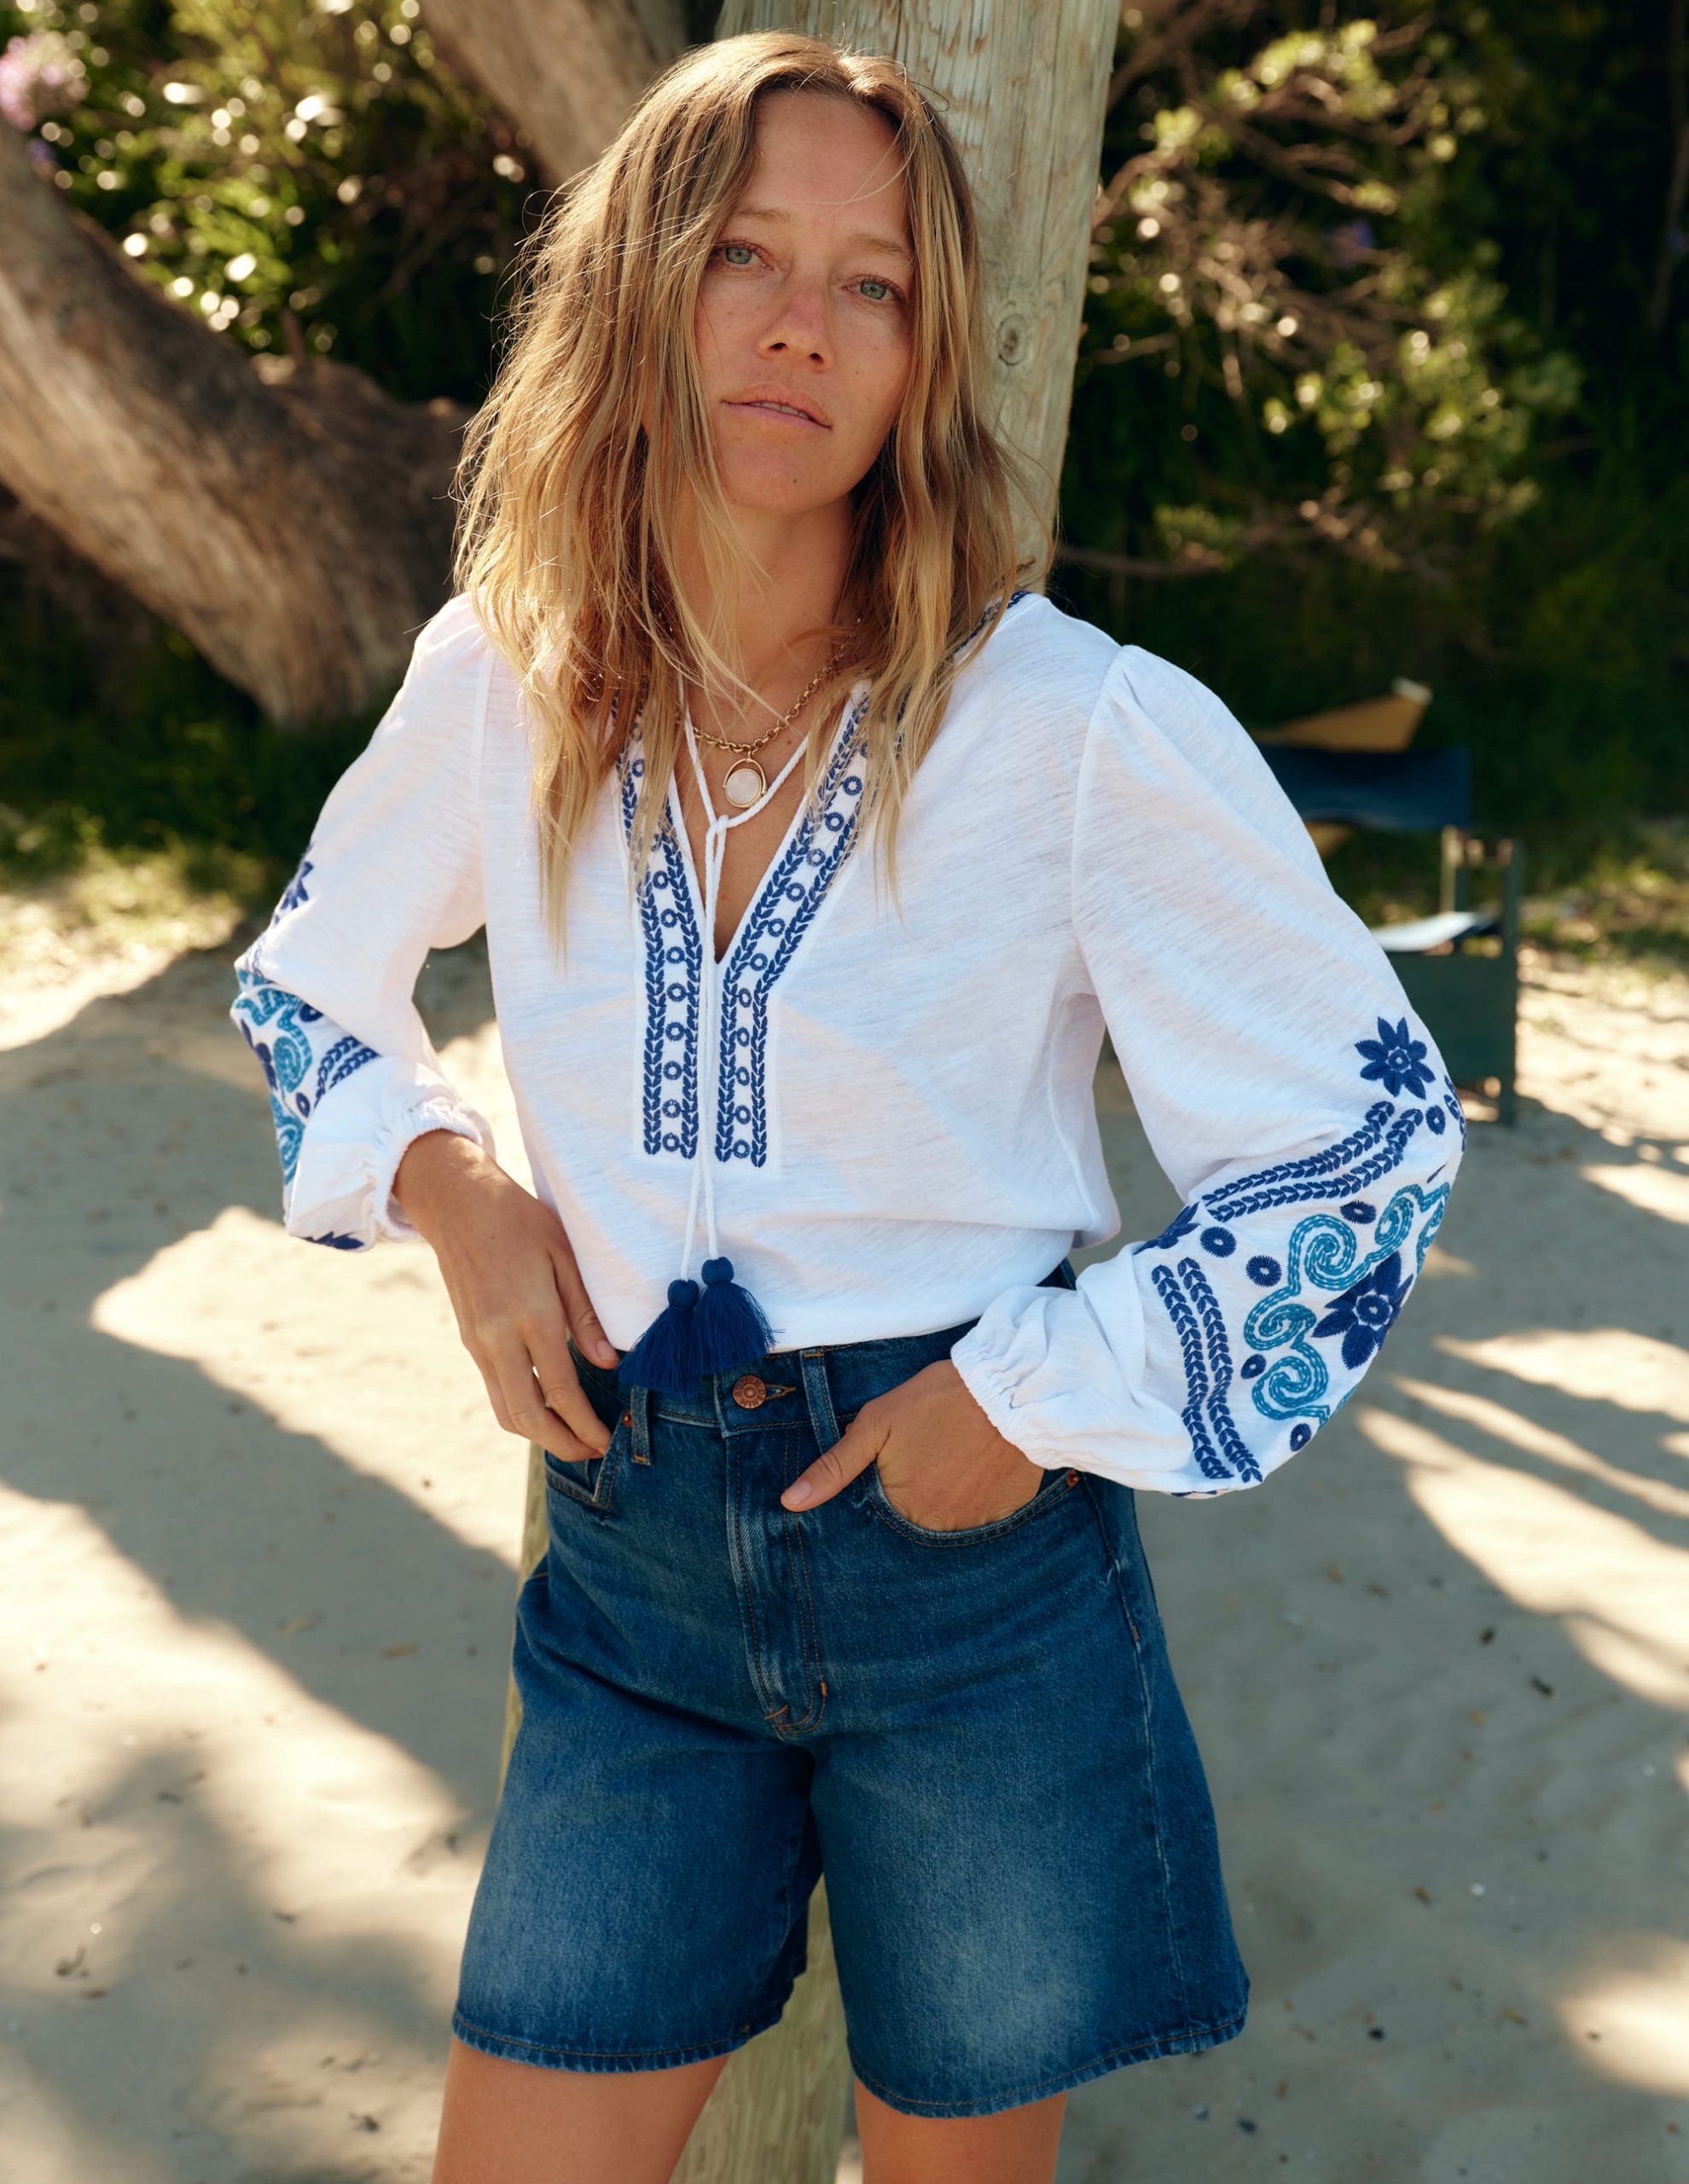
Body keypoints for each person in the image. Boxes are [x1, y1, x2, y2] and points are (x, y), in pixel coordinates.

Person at [229, 30, 1466, 2184]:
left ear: (921, 359)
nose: (802, 322)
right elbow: (303, 979)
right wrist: (451, 1184)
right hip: (630, 1566)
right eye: (744, 252)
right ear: (641, 284)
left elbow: (1373, 1140)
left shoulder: (1073, 727)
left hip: (965, 1564)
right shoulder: (505, 671)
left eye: (872, 283)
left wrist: (1032, 1395)